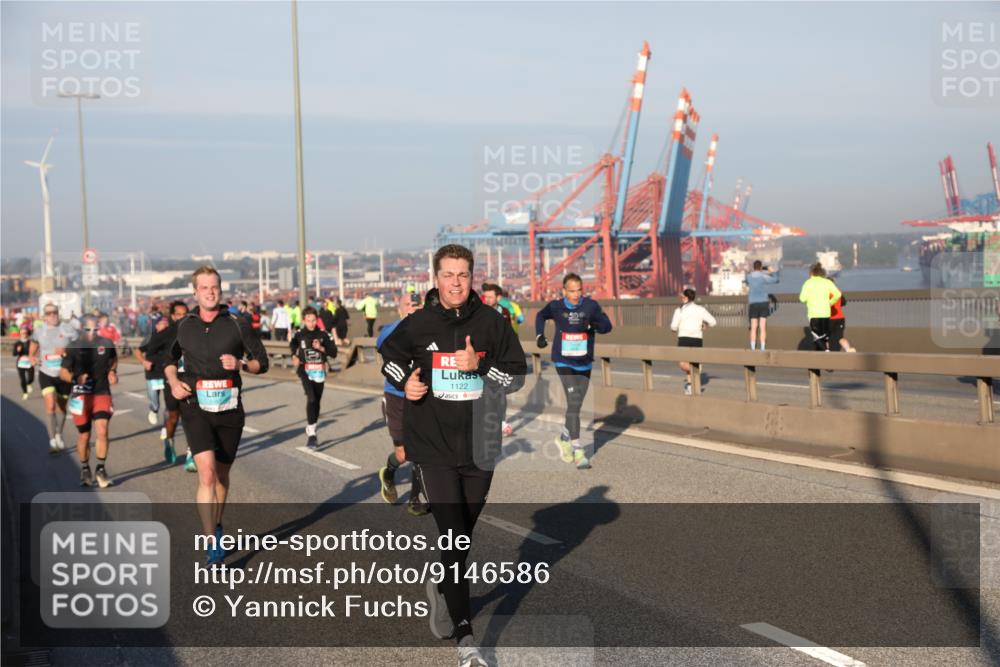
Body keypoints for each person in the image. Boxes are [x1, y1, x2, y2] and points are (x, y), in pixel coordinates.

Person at [379, 244, 525, 666]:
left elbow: (516, 374)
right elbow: (389, 357)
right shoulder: (419, 323)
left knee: (463, 536)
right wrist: (406, 380)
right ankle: (466, 638)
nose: (456, 283)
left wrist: (476, 367)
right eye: (448, 274)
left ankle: (443, 585)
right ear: (436, 277)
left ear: (472, 276)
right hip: (434, 446)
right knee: (455, 536)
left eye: (463, 274)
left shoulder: (493, 323)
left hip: (480, 445)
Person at [163, 266, 269, 565]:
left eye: (215, 287)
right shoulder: (184, 325)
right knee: (206, 473)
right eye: (204, 287)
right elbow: (168, 360)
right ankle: (211, 543)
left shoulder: (237, 324)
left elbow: (261, 362)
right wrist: (173, 382)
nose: (210, 292)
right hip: (195, 407)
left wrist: (240, 365)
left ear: (220, 291)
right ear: (195, 292)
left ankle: (217, 525)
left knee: (222, 477)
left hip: (229, 409)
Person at [535, 273, 613, 468]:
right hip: (563, 361)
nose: (576, 294)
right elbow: (540, 316)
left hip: (584, 362)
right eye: (572, 291)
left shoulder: (590, 306)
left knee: (577, 405)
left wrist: (593, 323)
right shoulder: (556, 306)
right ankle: (578, 450)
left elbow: (607, 326)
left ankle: (563, 437)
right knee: (574, 400)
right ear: (564, 291)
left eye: (579, 290)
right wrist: (539, 335)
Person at [376, 293, 428, 516]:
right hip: (396, 396)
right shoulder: (390, 331)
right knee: (403, 453)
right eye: (407, 305)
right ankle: (388, 472)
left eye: (416, 305)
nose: (412, 309)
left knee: (421, 449)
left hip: (421, 395)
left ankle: (415, 499)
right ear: (399, 309)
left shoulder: (428, 329)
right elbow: (383, 350)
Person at [60, 314, 118, 488]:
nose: (92, 333)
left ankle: (100, 469)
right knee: (84, 435)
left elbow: (113, 360)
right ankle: (85, 468)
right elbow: (63, 372)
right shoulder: (73, 347)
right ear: (81, 329)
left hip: (101, 392)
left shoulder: (106, 344)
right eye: (88, 329)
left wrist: (112, 372)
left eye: (95, 329)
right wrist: (75, 379)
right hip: (81, 395)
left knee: (102, 430)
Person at [138, 300, 191, 465]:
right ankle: (169, 441)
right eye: (179, 314)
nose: (182, 317)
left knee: (192, 417)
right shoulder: (166, 333)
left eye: (185, 314)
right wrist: (153, 362)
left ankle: (192, 453)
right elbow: (147, 349)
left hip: (191, 378)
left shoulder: (195, 331)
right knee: (174, 416)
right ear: (173, 316)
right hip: (172, 380)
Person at [30, 303, 77, 453]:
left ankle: (58, 434)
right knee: (50, 404)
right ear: (44, 316)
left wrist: (67, 350)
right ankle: (51, 441)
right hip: (46, 372)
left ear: (58, 313)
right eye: (49, 313)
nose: (52, 315)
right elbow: (34, 343)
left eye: (54, 312)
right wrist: (32, 357)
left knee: (61, 407)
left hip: (64, 373)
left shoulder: (68, 328)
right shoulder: (39, 330)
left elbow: (79, 347)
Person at [289, 306, 337, 449]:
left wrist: (321, 348)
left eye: (314, 320)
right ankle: (311, 435)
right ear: (303, 320)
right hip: (305, 369)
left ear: (317, 320)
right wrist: (294, 355)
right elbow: (292, 344)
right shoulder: (299, 334)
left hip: (319, 371)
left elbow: (334, 352)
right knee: (311, 397)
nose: (311, 323)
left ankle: (312, 427)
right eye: (308, 320)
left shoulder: (324, 335)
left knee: (316, 401)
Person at [482, 284, 515, 437]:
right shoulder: (479, 312)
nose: (487, 300)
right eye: (485, 296)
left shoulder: (505, 312)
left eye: (490, 297)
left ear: (498, 297)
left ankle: (502, 422)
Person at [670, 288, 717, 395]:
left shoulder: (679, 310)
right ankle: (690, 386)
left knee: (682, 364)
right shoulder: (700, 309)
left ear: (686, 298)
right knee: (692, 362)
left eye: (682, 297)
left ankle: (697, 369)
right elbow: (713, 322)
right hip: (697, 339)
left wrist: (675, 328)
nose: (681, 298)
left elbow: (673, 327)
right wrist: (705, 325)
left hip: (684, 338)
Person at [799, 263, 841, 352]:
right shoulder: (827, 282)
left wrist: (809, 299)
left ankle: (824, 352)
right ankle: (822, 357)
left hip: (813, 314)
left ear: (811, 273)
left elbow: (802, 299)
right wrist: (830, 302)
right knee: (823, 336)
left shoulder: (808, 283)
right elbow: (838, 294)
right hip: (826, 313)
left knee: (816, 336)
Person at [746, 260, 778, 351]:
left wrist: (757, 271)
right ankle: (762, 348)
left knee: (753, 327)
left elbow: (747, 279)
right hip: (763, 303)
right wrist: (771, 271)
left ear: (753, 267)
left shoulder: (749, 277)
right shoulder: (764, 276)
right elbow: (776, 280)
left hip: (753, 303)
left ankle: (752, 349)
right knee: (762, 327)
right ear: (760, 267)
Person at [828, 280, 856, 353]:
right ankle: (848, 349)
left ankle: (826, 351)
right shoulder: (838, 291)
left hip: (828, 319)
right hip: (840, 318)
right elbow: (843, 303)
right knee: (840, 337)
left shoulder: (824, 293)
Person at [13, 327, 34, 400]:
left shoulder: (31, 342)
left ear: (27, 334)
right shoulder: (17, 343)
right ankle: (25, 393)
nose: (24, 334)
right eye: (22, 333)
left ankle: (29, 384)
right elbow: (14, 354)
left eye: (25, 333)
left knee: (31, 378)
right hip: (20, 363)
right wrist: (18, 351)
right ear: (20, 334)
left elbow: (34, 351)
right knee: (23, 380)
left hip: (29, 362)